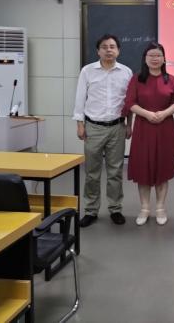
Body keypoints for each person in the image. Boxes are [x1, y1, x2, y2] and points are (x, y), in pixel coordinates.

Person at [73, 34, 133, 227]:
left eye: (112, 46)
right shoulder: (87, 71)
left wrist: (129, 124)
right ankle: (91, 210)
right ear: (98, 51)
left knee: (115, 171)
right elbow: (80, 98)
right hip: (93, 127)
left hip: (117, 127)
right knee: (92, 172)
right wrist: (80, 124)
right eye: (104, 47)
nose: (109, 50)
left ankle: (115, 208)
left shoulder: (126, 72)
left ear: (118, 51)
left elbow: (129, 102)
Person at [122, 42, 174, 226]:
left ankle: (161, 208)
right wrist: (147, 114)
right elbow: (130, 103)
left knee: (162, 168)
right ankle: (145, 208)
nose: (155, 59)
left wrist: (164, 113)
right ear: (145, 59)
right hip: (143, 127)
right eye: (151, 55)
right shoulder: (136, 79)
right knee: (143, 169)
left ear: (164, 59)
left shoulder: (171, 79)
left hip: (165, 127)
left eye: (158, 55)